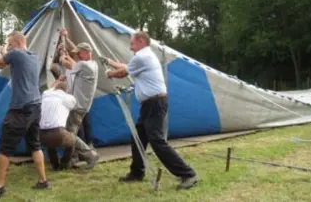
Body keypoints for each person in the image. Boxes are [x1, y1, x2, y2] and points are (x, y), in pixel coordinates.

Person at [106, 31, 198, 190]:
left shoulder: (141, 57)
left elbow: (123, 72)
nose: (130, 45)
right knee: (138, 138)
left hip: (155, 103)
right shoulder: (144, 56)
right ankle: (137, 172)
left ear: (141, 41)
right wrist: (108, 61)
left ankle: (188, 174)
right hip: (151, 104)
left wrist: (109, 73)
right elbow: (126, 67)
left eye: (132, 42)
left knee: (157, 141)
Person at [0, 31, 48, 198]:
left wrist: (0, 51)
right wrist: (6, 50)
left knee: (4, 148)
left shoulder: (16, 53)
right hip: (35, 105)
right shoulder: (33, 56)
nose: (9, 47)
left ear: (18, 43)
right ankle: (43, 181)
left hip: (21, 109)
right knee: (35, 145)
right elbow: (8, 61)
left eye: (10, 44)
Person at [59, 32, 99, 168]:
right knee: (73, 133)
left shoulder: (84, 65)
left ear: (87, 53)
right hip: (82, 104)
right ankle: (73, 158)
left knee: (70, 134)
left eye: (79, 53)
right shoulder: (92, 64)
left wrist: (61, 54)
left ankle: (90, 155)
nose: (77, 55)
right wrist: (67, 39)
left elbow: (66, 63)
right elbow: (74, 61)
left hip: (78, 105)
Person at [39, 79, 98, 170]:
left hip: (41, 135)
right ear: (65, 91)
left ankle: (55, 165)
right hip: (57, 133)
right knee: (72, 139)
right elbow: (74, 108)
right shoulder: (67, 98)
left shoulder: (45, 94)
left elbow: (51, 89)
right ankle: (86, 157)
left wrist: (58, 80)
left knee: (50, 144)